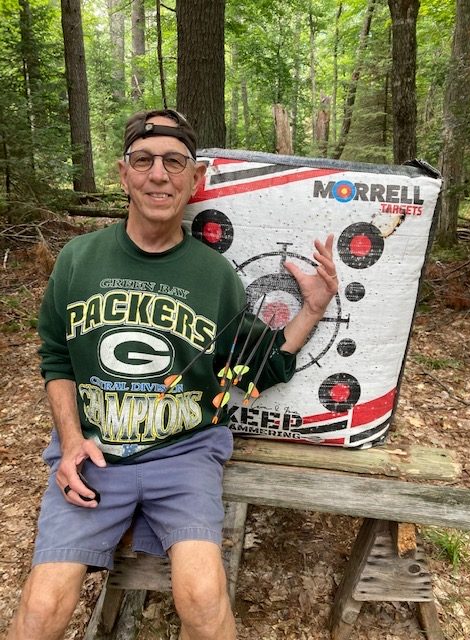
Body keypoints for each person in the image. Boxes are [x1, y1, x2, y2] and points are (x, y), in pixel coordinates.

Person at [7, 108, 338, 640]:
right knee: (42, 607)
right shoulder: (77, 260)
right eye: (144, 160)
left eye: (174, 162)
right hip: (94, 453)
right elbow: (56, 357)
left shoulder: (214, 276)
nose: (158, 174)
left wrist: (312, 310)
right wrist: (70, 442)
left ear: (195, 177)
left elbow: (251, 366)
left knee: (204, 601)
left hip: (185, 454)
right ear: (123, 173)